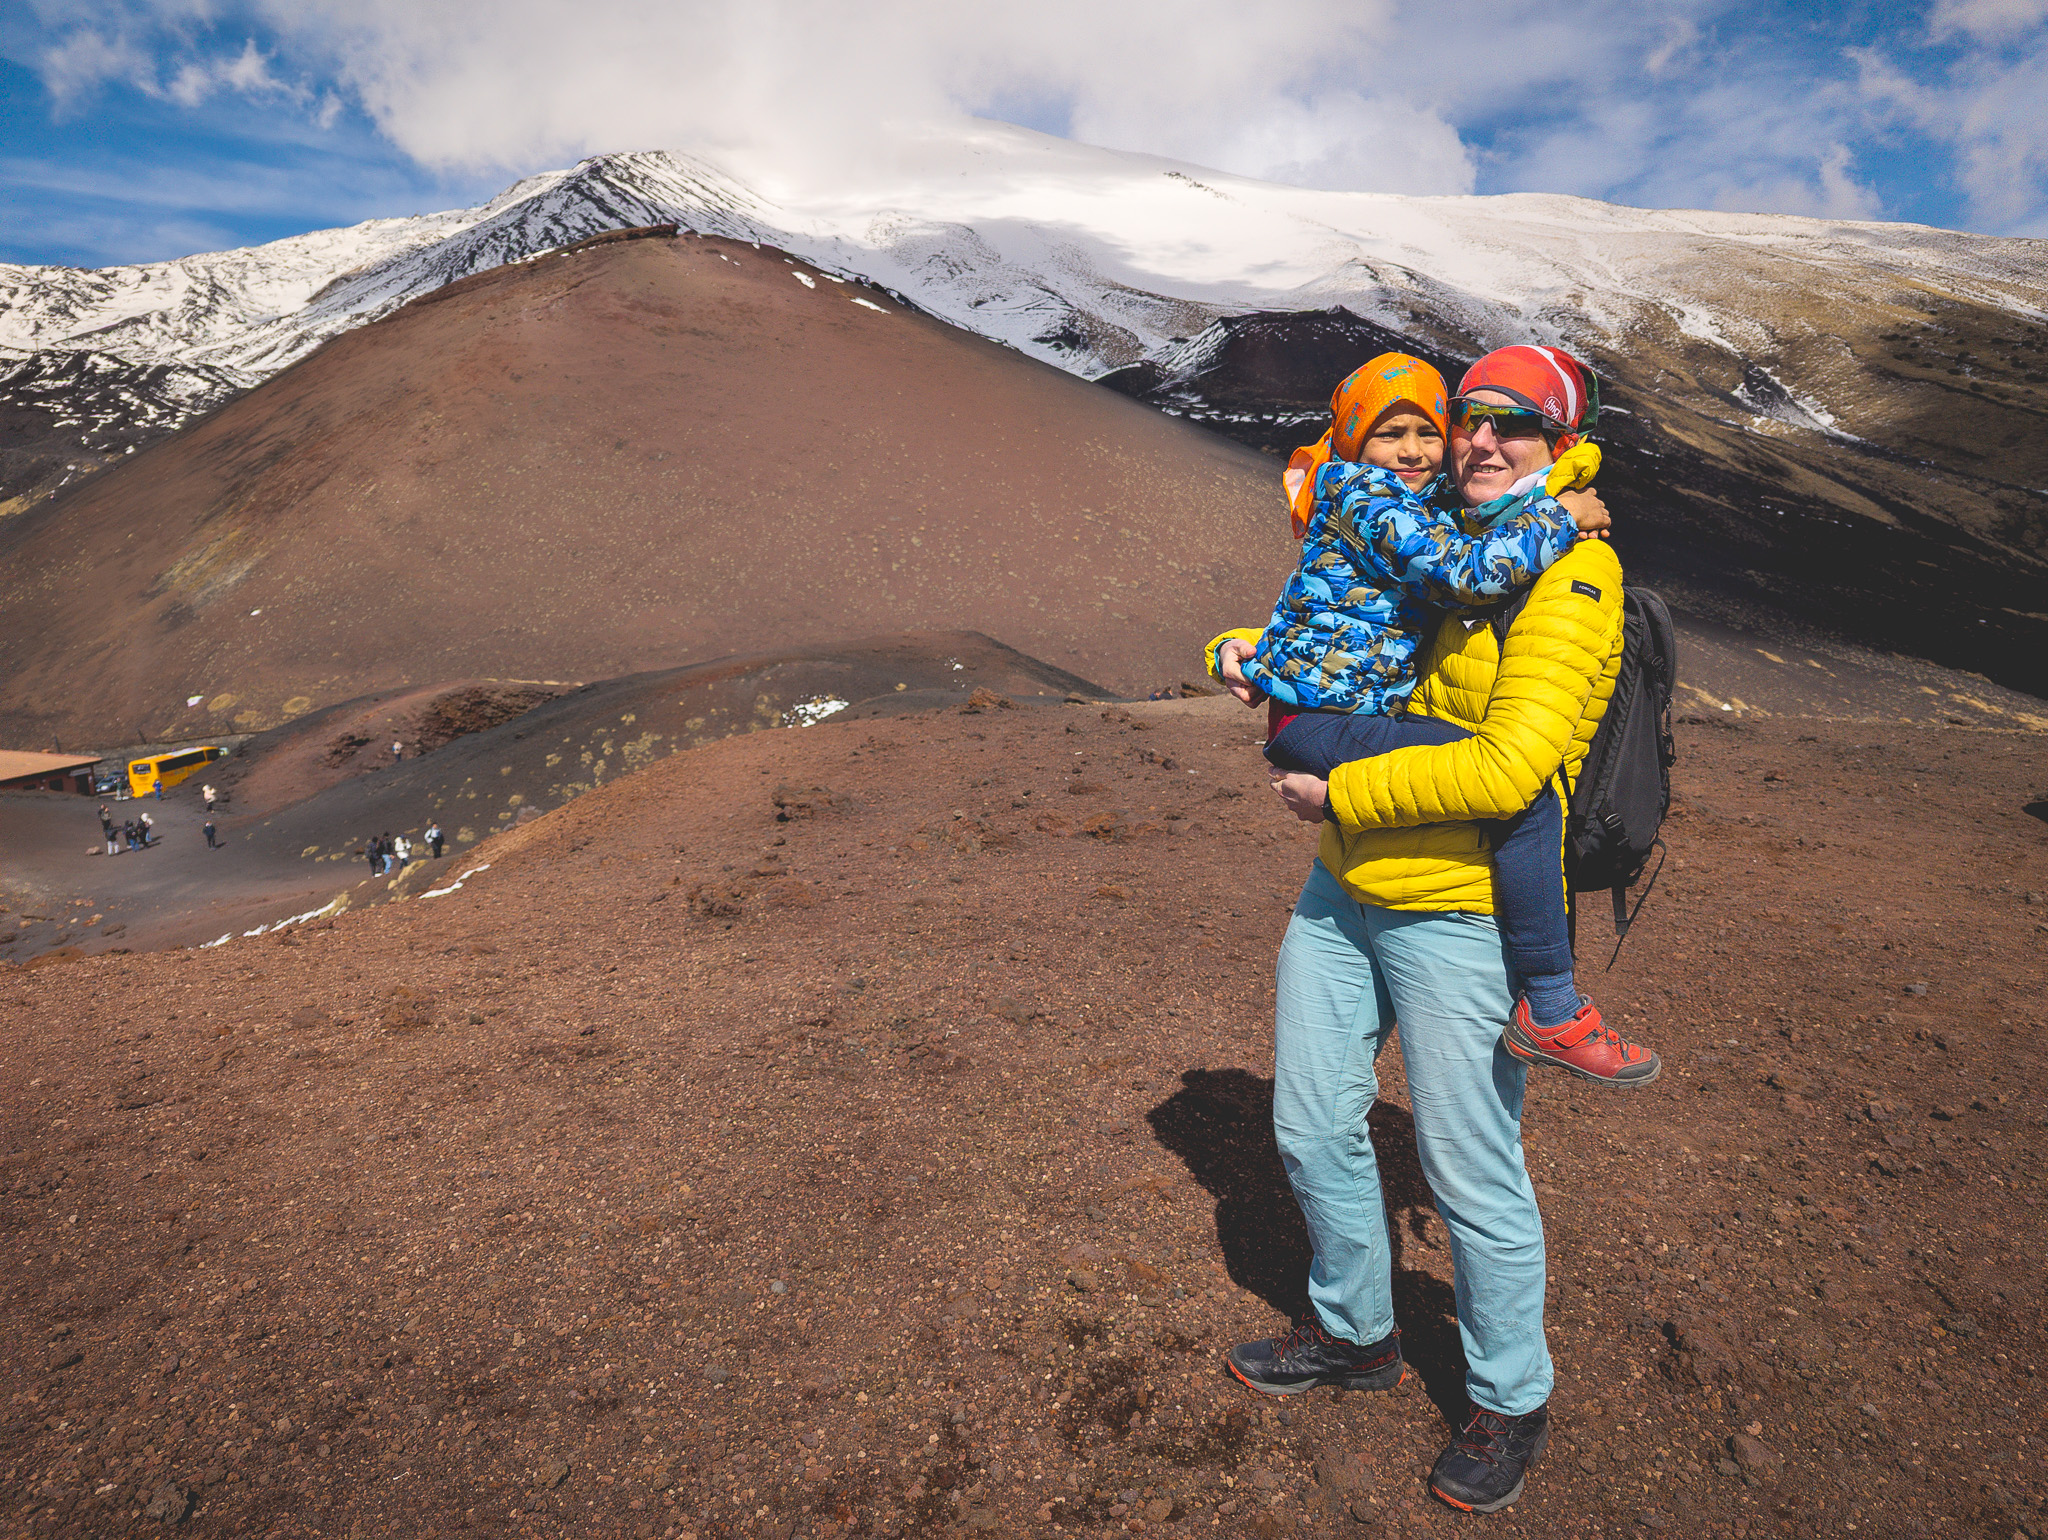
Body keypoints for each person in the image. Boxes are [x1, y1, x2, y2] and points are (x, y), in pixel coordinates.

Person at [1207, 343, 1647, 1514]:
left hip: (1454, 914)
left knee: (1467, 1172)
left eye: (1514, 427)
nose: (1479, 442)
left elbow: (1510, 767)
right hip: (1343, 892)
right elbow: (1348, 634)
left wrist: (1340, 788)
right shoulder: (1432, 533)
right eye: (1468, 420)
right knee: (1306, 1124)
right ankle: (1356, 1332)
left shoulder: (1574, 572)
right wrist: (1262, 661)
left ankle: (1509, 1395)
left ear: (1558, 446)